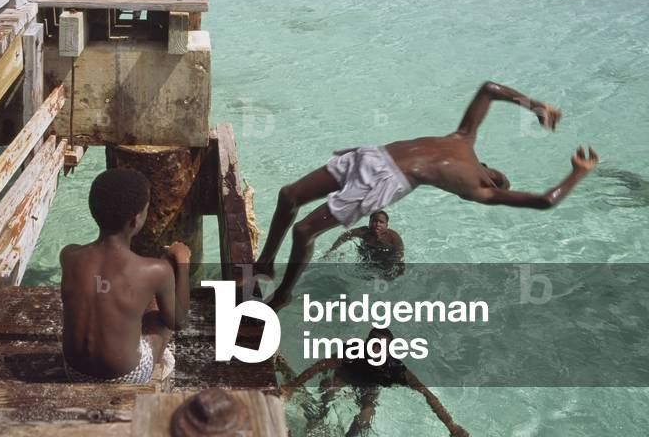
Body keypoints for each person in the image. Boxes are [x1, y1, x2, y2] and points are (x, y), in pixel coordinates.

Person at [254, 81, 599, 310]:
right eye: (496, 171)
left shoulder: (479, 191)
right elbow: (489, 89)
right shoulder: (463, 138)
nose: (496, 174)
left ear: (493, 186)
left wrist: (578, 172)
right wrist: (536, 105)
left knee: (304, 231)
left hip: (386, 180)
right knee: (289, 195)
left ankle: (283, 295)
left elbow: (544, 201)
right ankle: (266, 262)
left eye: (499, 179)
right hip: (373, 155)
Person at [60, 168, 191, 383]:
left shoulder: (69, 255)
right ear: (135, 220)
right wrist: (183, 262)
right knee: (162, 320)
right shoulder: (157, 271)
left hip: (74, 371)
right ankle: (155, 366)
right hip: (126, 377)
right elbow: (179, 321)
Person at [282, 328, 469, 437]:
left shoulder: (394, 369)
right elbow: (318, 367)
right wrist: (291, 387)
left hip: (367, 389)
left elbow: (427, 394)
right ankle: (318, 416)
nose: (375, 349)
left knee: (368, 411)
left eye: (380, 347)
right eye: (372, 344)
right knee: (329, 387)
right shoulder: (352, 351)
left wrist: (451, 425)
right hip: (343, 379)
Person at [323, 210, 404, 270]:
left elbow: (399, 252)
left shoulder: (393, 236)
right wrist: (332, 250)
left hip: (386, 255)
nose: (377, 224)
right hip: (367, 253)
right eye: (374, 221)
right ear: (369, 223)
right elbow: (345, 235)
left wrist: (394, 264)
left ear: (387, 225)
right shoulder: (363, 232)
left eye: (381, 222)